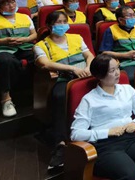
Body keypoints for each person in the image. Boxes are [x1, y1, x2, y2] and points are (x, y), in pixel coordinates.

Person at [70, 54, 135, 180]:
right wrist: (107, 132)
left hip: (130, 139)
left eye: (117, 68)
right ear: (100, 75)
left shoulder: (127, 89)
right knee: (130, 175)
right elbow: (76, 133)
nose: (118, 73)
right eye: (112, 70)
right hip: (106, 146)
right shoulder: (89, 100)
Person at [34, 10, 94, 171]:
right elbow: (45, 63)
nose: (62, 25)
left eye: (64, 22)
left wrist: (88, 67)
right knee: (60, 96)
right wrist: (72, 69)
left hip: (85, 75)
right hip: (63, 79)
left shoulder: (77, 38)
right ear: (49, 25)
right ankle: (60, 144)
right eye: (58, 22)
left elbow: (89, 55)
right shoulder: (41, 45)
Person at [98, 6, 135, 83]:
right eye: (129, 15)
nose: (133, 17)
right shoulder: (111, 31)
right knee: (132, 78)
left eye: (134, 15)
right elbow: (104, 53)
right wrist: (125, 55)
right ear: (120, 20)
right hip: (126, 63)